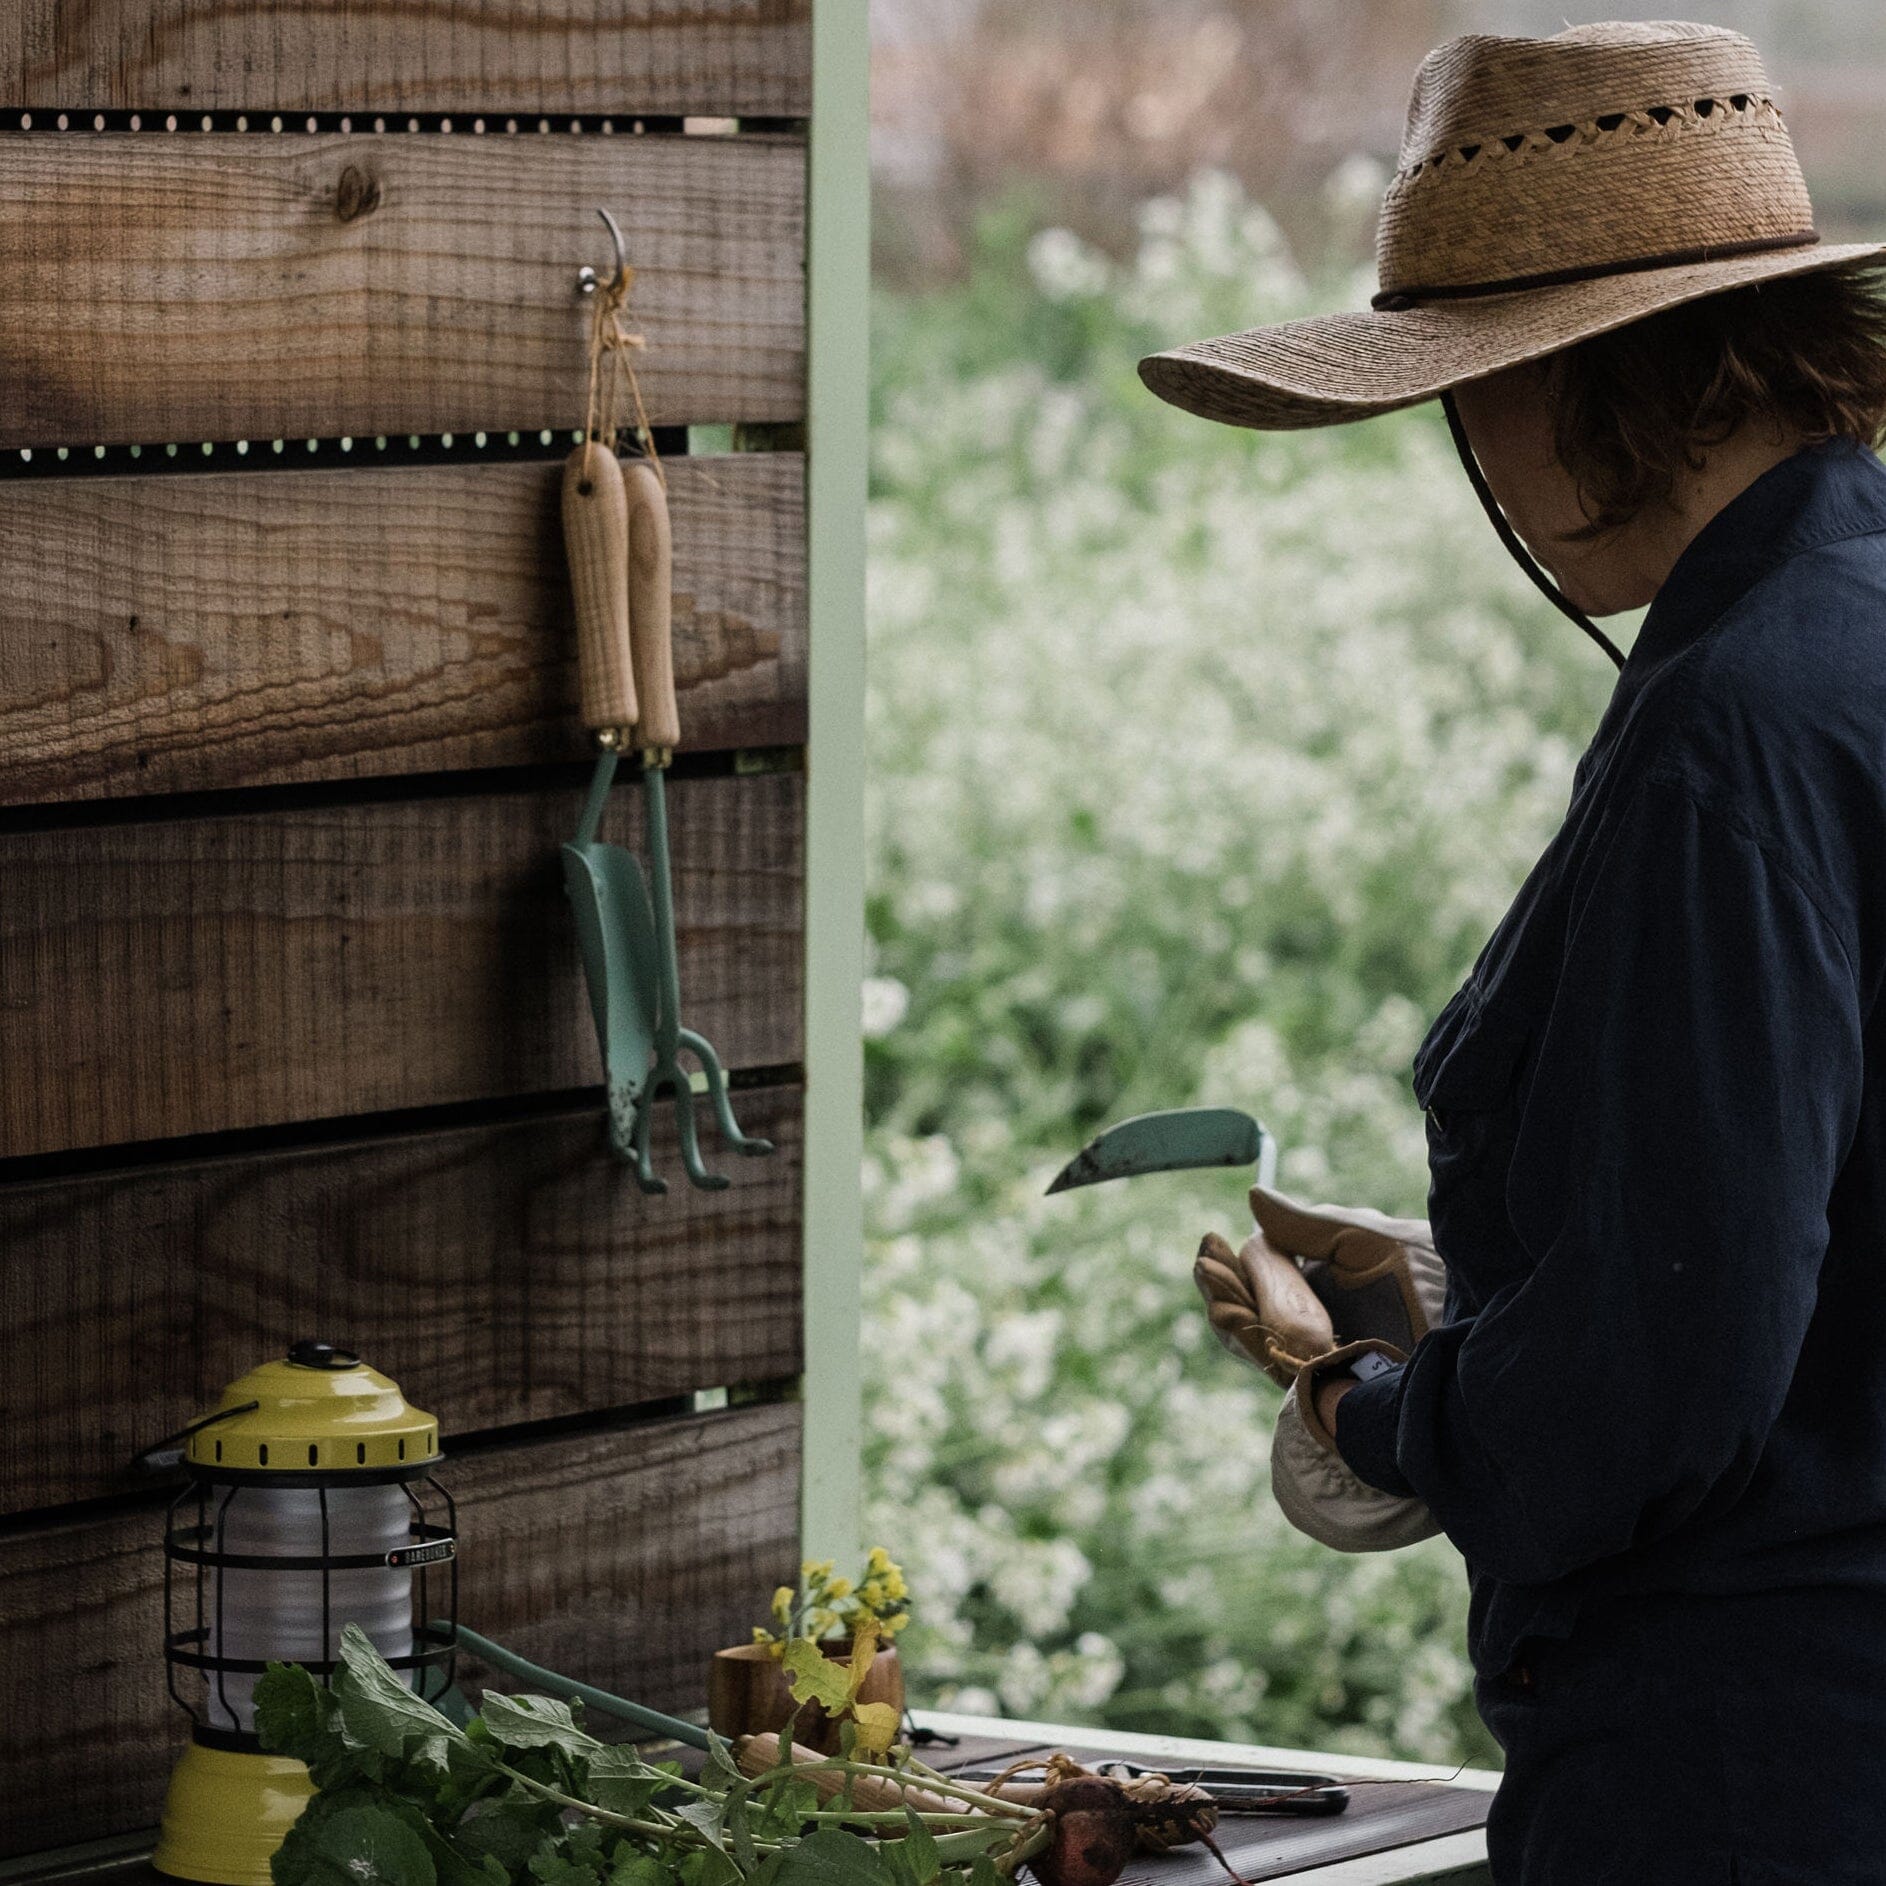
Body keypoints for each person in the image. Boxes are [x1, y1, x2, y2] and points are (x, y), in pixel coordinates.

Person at [1155, 21, 1886, 1885]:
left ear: (1576, 380)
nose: (1465, 445)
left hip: (1746, 1780)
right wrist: (1439, 1276)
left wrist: (1370, 1397)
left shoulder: (1733, 732)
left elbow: (1671, 1368)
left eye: (1464, 387)